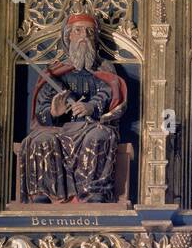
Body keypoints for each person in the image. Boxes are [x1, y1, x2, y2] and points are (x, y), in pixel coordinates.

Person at [19, 12, 126, 203]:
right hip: (59, 129)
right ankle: (46, 193)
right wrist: (53, 112)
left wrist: (91, 106)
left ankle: (91, 192)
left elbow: (110, 92)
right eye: (78, 30)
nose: (84, 35)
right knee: (41, 138)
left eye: (89, 31)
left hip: (90, 126)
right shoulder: (54, 72)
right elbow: (41, 110)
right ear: (69, 36)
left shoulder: (105, 68)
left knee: (100, 136)